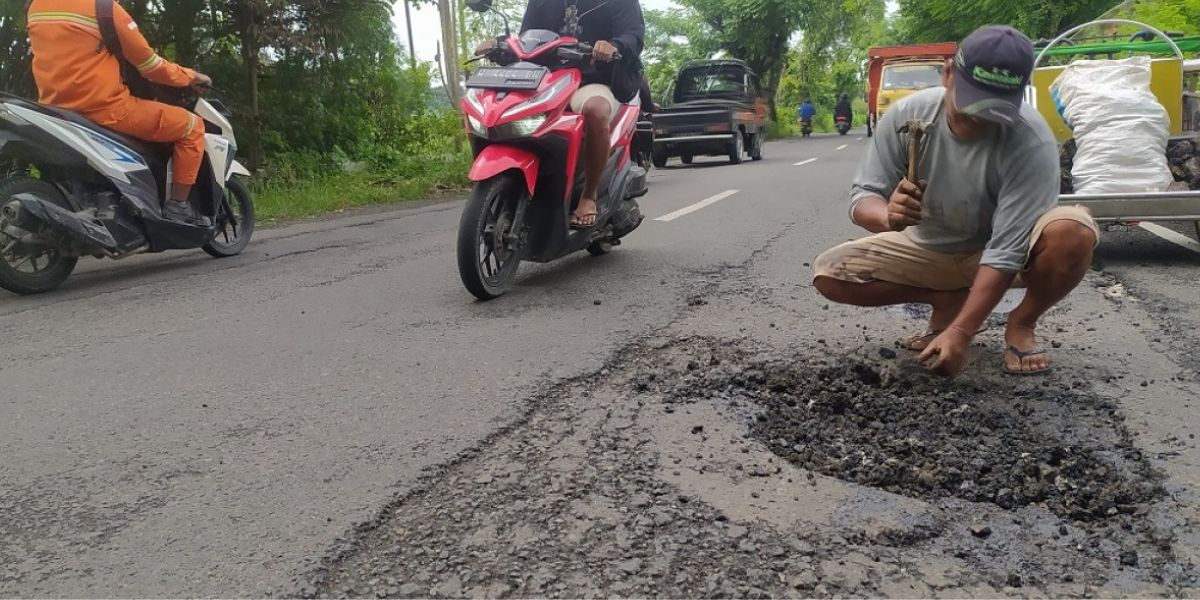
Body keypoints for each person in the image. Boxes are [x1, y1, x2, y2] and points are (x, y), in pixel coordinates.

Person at [811, 25, 1098, 377]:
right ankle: (947, 299)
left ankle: (1021, 323)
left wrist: (961, 332)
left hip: (993, 253)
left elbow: (1006, 251)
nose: (977, 121)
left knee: (1073, 232)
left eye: (993, 111)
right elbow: (862, 198)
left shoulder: (1031, 140)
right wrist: (889, 216)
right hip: (926, 248)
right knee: (830, 273)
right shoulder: (907, 115)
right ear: (947, 73)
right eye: (970, 106)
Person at [26, 0, 214, 225]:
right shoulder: (104, 9)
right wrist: (191, 76)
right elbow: (151, 66)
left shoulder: (35, 7)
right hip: (106, 109)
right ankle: (178, 206)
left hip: (55, 110)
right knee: (192, 126)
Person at [480, 0, 644, 229]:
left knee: (596, 111)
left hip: (592, 79)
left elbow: (634, 34)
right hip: (545, 80)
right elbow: (526, 39)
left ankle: (588, 196)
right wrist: (499, 46)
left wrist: (613, 45)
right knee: (506, 111)